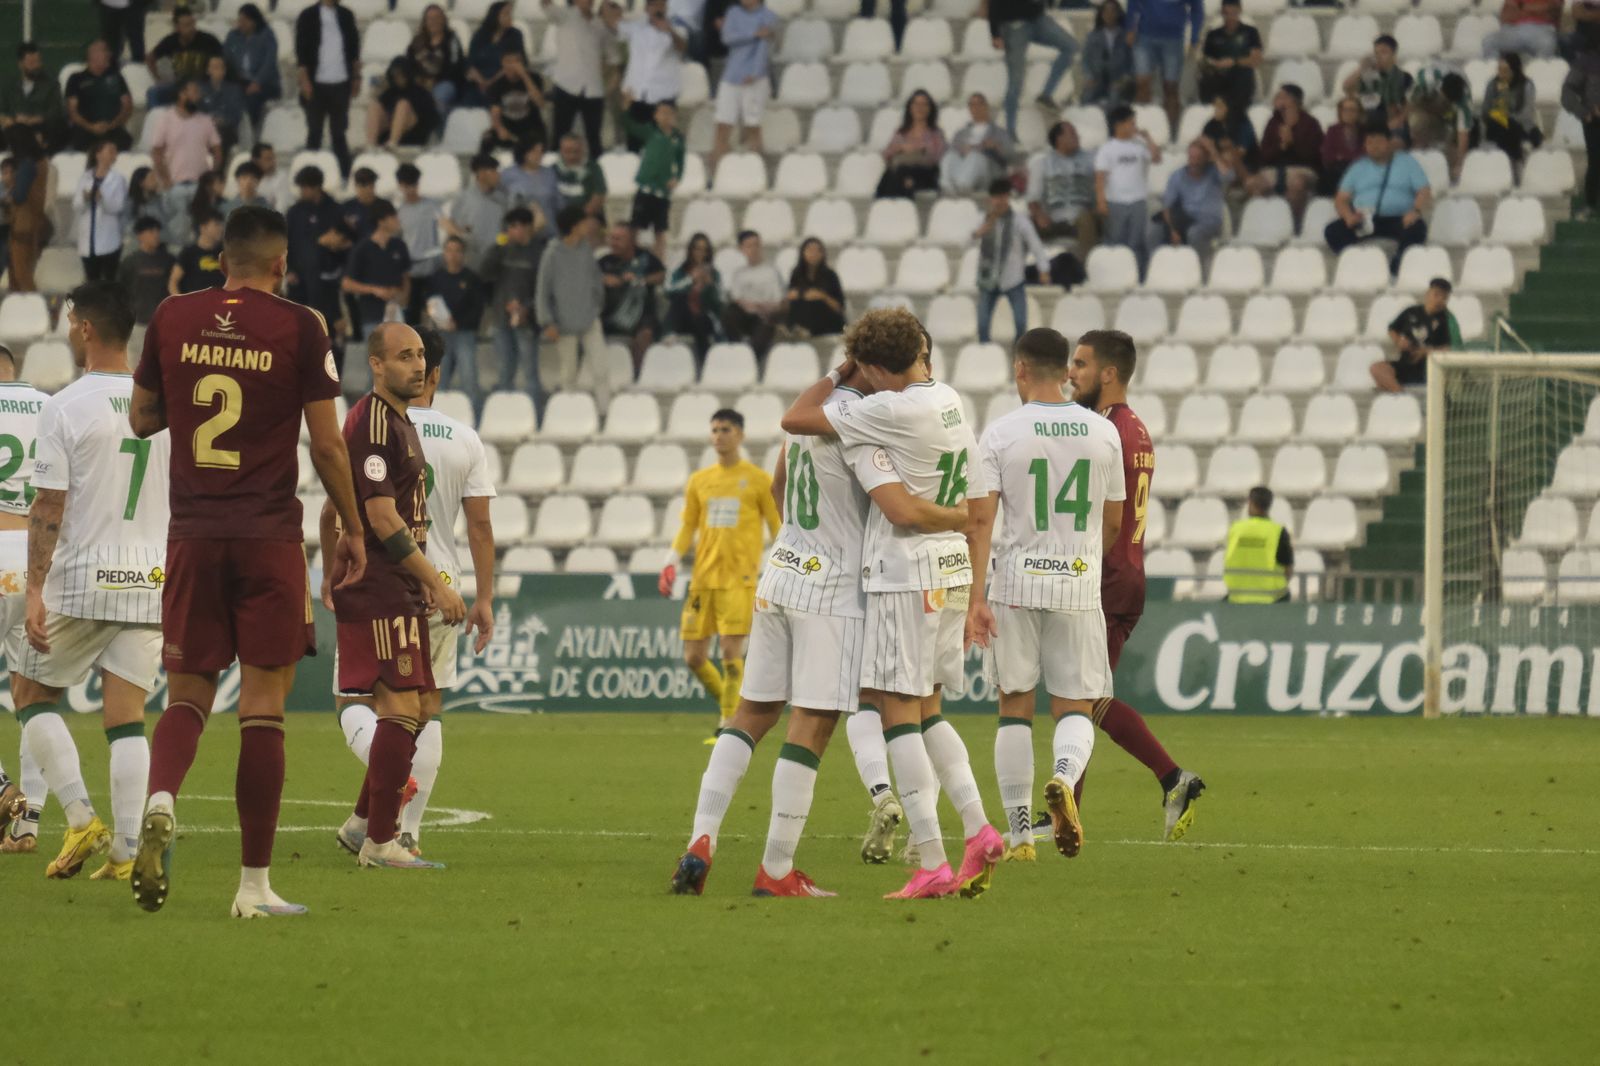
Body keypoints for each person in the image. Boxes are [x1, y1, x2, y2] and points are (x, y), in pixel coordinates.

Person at [670, 357, 970, 895]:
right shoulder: (865, 425)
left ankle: (701, 838)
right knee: (811, 726)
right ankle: (777, 870)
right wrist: (960, 518)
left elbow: (780, 486)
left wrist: (803, 544)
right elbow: (898, 508)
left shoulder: (812, 416)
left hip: (780, 575)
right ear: (877, 371)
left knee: (749, 715)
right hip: (832, 594)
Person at [136, 216, 359, 917]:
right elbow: (326, 447)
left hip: (193, 533)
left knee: (186, 696)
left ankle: (162, 798)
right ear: (281, 263)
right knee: (263, 709)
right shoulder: (301, 326)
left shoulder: (172, 316)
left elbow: (142, 419)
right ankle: (253, 888)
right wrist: (352, 525)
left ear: (223, 258)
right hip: (267, 537)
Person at [779, 309, 1004, 900]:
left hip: (906, 574)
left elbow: (795, 418)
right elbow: (980, 504)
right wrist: (977, 587)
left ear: (875, 367)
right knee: (930, 710)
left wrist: (842, 369)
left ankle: (932, 859)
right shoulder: (950, 398)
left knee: (894, 711)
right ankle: (979, 828)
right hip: (953, 570)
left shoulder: (884, 408)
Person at [13, 282, 170, 883]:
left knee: (30, 694)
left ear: (83, 329)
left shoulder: (65, 405)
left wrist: (34, 589)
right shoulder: (162, 407)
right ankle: (127, 851)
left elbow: (49, 503)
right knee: (127, 715)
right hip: (151, 576)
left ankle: (80, 818)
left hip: (84, 576)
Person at [331, 327, 494, 860]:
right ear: (376, 364)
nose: (417, 365)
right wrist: (437, 584)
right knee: (401, 706)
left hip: (403, 581)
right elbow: (381, 516)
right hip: (386, 583)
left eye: (421, 355)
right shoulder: (375, 421)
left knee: (417, 707)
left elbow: (343, 501)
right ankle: (382, 839)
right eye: (405, 356)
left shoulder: (399, 422)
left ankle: (365, 827)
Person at [963, 327, 1122, 861]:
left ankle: (1021, 836)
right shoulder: (1102, 432)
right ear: (1066, 370)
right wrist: (1083, 558)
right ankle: (1062, 779)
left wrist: (975, 597)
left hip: (1014, 582)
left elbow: (980, 519)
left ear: (1020, 369)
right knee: (1075, 702)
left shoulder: (1002, 432)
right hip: (1076, 581)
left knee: (1014, 705)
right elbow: (1115, 520)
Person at [1060, 328, 1204, 840]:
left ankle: (1172, 777)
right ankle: (1067, 811)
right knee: (1080, 697)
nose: (1070, 373)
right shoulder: (1133, 427)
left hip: (1106, 576)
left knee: (1081, 699)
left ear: (1109, 373)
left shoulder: (1106, 431)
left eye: (1079, 364)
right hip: (1125, 573)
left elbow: (1105, 515)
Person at [658, 409, 780, 736]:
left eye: (725, 429)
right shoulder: (700, 481)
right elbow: (687, 526)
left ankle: (728, 724)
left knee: (730, 651)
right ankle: (731, 707)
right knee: (693, 657)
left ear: (740, 434)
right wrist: (671, 560)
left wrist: (782, 567)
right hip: (703, 580)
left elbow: (776, 526)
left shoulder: (757, 480)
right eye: (714, 430)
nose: (718, 435)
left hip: (739, 580)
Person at [0, 345, 46, 853]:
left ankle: (2, 791)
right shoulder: (48, 405)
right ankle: (27, 826)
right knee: (33, 699)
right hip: (36, 562)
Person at [1324, 121, 1432, 274]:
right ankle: (1358, 263)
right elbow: (1341, 198)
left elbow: (1424, 191)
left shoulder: (1407, 162)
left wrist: (1415, 211)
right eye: (1369, 142)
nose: (1374, 146)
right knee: (1333, 231)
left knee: (1417, 229)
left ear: (1389, 142)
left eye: (1379, 142)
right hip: (1365, 219)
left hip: (1399, 219)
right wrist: (1348, 216)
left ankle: (1396, 266)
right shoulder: (1357, 167)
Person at [342, 200, 413, 396]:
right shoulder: (363, 248)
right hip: (372, 315)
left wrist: (403, 297)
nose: (397, 221)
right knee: (375, 367)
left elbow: (406, 277)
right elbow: (347, 283)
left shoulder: (399, 246)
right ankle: (370, 411)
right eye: (393, 217)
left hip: (396, 314)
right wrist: (374, 290)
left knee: (400, 365)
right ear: (382, 221)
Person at [536, 206, 608, 397]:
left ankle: (604, 412)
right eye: (583, 222)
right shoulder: (551, 254)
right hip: (563, 324)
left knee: (601, 370)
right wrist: (547, 321)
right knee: (569, 373)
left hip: (590, 320)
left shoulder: (586, 250)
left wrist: (596, 306)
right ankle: (569, 414)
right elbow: (542, 291)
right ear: (574, 226)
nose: (588, 226)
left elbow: (595, 279)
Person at [482, 207, 548, 405]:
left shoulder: (539, 252)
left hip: (527, 320)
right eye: (509, 227)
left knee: (530, 372)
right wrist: (498, 246)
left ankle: (534, 414)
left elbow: (543, 288)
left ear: (528, 227)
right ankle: (504, 412)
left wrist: (527, 306)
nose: (512, 231)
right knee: (504, 370)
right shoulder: (502, 250)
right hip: (502, 318)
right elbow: (484, 273)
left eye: (516, 227)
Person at [285, 166, 353, 356]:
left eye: (306, 187)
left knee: (328, 329)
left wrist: (336, 243)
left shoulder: (335, 210)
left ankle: (331, 372)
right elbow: (286, 243)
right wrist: (288, 269)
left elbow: (347, 241)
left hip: (327, 281)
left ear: (317, 187)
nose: (302, 192)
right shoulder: (295, 212)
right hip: (299, 280)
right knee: (299, 329)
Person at [988, 0, 1079, 136]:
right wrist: (995, 33)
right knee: (1016, 82)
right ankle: (1010, 130)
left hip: (1037, 18)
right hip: (1014, 24)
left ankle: (1046, 95)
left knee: (1071, 46)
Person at [975, 179, 1048, 345]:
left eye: (1002, 197)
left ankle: (1018, 358)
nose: (999, 201)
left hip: (1013, 277)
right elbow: (967, 239)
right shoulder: (983, 218)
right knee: (982, 324)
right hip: (988, 278)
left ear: (1007, 197)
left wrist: (1043, 269)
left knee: (1021, 323)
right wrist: (984, 228)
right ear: (991, 199)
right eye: (996, 197)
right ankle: (986, 355)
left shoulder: (1019, 221)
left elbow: (1035, 244)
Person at [711, 0, 780, 173]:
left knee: (753, 126)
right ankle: (715, 175)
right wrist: (754, 33)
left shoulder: (769, 16)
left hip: (755, 78)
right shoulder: (733, 12)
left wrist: (755, 72)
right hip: (731, 75)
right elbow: (727, 37)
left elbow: (764, 47)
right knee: (722, 125)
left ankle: (758, 173)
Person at [295, 0, 360, 180]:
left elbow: (354, 50)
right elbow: (301, 52)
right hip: (316, 82)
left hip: (341, 81)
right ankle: (309, 176)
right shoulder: (307, 15)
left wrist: (355, 77)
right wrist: (305, 80)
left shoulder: (346, 15)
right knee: (314, 131)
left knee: (338, 132)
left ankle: (345, 175)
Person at [543, 0, 616, 156]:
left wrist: (604, 80)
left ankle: (594, 175)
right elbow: (547, 6)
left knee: (594, 138)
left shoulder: (601, 26)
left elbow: (613, 59)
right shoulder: (565, 15)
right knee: (560, 135)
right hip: (566, 85)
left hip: (593, 89)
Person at [1095, 105, 1162, 273]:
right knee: (1116, 242)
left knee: (1137, 243)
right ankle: (1116, 274)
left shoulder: (1139, 146)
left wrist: (1148, 138)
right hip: (1115, 202)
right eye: (1131, 123)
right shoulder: (1107, 149)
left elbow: (1157, 158)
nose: (1135, 127)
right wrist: (1101, 200)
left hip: (1137, 201)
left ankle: (1139, 275)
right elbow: (1100, 177)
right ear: (1119, 124)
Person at [426, 236, 487, 412]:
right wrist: (440, 320)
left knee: (469, 377)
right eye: (449, 250)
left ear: (463, 254)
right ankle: (438, 418)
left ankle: (474, 418)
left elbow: (478, 308)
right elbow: (430, 303)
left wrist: (458, 323)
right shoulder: (436, 278)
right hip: (440, 334)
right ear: (444, 253)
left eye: (457, 251)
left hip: (465, 333)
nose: (453, 255)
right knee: (439, 379)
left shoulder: (472, 278)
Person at [1247, 85, 1323, 224]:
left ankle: (1293, 225)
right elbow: (1263, 156)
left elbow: (1313, 156)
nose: (1276, 99)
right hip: (1275, 169)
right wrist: (1281, 146)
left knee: (1297, 184)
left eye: (1281, 97)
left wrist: (1292, 142)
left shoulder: (1310, 123)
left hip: (1302, 169)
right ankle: (1264, 224)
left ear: (1293, 101)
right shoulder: (1273, 123)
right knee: (1254, 183)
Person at [619, 0, 686, 152]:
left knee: (662, 145)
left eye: (661, 4)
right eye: (654, 4)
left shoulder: (677, 26)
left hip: (663, 97)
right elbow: (613, 25)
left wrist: (669, 31)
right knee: (634, 144)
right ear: (646, 8)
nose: (658, 8)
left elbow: (683, 47)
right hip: (636, 94)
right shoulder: (636, 27)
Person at [1127, 0, 1203, 132]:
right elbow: (1132, 3)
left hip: (1173, 39)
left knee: (1171, 87)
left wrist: (1195, 36)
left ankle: (1171, 132)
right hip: (1144, 36)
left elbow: (1197, 9)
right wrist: (1129, 27)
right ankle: (1142, 129)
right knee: (1142, 84)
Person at [1148, 138, 1231, 258]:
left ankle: (1197, 269)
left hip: (1209, 221)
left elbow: (1228, 177)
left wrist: (1214, 152)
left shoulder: (1214, 172)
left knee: (1194, 233)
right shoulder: (1177, 175)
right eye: (1191, 157)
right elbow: (1167, 206)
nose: (1194, 162)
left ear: (1206, 158)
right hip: (1185, 220)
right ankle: (1155, 267)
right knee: (1154, 230)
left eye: (1198, 158)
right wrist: (1173, 230)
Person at [1376, 277, 1461, 393]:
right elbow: (1392, 329)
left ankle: (1402, 397)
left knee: (1383, 386)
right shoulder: (1411, 311)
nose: (1439, 300)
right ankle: (1401, 395)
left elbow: (1455, 349)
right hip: (1406, 364)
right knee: (1377, 369)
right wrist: (1398, 341)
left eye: (1444, 298)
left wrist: (1427, 351)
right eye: (1436, 295)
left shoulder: (1448, 320)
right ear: (1428, 294)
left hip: (1430, 369)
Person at [1028, 120, 1099, 252]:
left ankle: (1083, 267)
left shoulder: (1090, 159)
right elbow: (1033, 198)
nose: (1078, 137)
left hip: (1082, 217)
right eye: (1072, 134)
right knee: (1022, 223)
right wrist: (1039, 215)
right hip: (1053, 220)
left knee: (1086, 220)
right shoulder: (1042, 163)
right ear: (1059, 139)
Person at [627, 101, 686, 260]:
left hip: (663, 190)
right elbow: (630, 126)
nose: (666, 116)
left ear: (674, 116)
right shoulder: (650, 132)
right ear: (655, 116)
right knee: (635, 226)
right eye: (662, 112)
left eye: (669, 113)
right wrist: (626, 108)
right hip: (646, 187)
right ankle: (630, 257)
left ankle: (659, 261)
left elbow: (680, 161)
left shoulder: (677, 138)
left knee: (660, 230)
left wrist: (677, 178)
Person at [599, 223, 665, 362]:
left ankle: (637, 374)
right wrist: (602, 279)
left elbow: (661, 275)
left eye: (618, 239)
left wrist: (640, 279)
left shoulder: (646, 259)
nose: (614, 243)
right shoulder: (605, 261)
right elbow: (587, 277)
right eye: (612, 238)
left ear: (631, 241)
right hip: (610, 314)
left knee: (645, 333)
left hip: (640, 314)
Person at [1223, 486, 1293, 604]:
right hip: (1271, 598)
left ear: (1250, 503)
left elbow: (1227, 559)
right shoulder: (1278, 531)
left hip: (1237, 597)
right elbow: (1288, 570)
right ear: (1269, 505)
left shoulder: (1236, 529)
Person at [151, 78, 222, 196]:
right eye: (194, 92)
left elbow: (217, 151)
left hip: (200, 186)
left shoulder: (205, 120)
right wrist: (165, 180)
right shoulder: (165, 119)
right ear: (182, 94)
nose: (198, 96)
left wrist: (212, 179)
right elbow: (156, 153)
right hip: (174, 186)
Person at [722, 230, 785, 361]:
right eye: (749, 246)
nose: (754, 249)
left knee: (768, 320)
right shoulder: (739, 274)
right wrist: (752, 306)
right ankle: (737, 348)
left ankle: (748, 359)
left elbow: (779, 302)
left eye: (756, 245)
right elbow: (737, 299)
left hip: (765, 315)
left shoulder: (771, 271)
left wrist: (762, 307)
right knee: (729, 312)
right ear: (742, 249)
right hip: (745, 315)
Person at [443, 153, 509, 272]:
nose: (498, 175)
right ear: (481, 173)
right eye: (493, 171)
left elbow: (506, 231)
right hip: (470, 265)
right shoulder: (463, 199)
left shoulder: (503, 200)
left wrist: (500, 245)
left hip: (496, 263)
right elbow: (453, 229)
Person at [146, 7, 222, 109]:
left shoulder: (208, 40)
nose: (191, 28)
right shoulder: (171, 41)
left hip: (204, 85)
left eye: (192, 24)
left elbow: (223, 62)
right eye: (186, 25)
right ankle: (157, 122)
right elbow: (150, 57)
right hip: (179, 86)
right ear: (177, 27)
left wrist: (216, 80)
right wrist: (158, 78)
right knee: (153, 93)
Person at [65, 40, 135, 152]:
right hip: (85, 130)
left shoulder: (117, 77)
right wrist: (91, 127)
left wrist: (112, 125)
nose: (109, 54)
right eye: (105, 51)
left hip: (112, 129)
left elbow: (127, 106)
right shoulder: (76, 79)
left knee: (124, 142)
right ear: (93, 55)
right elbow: (72, 111)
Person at [874, 90, 946, 199]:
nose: (919, 108)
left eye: (924, 104)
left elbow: (937, 157)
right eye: (916, 104)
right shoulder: (901, 133)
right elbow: (886, 154)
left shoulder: (935, 133)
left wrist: (916, 149)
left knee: (900, 176)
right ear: (910, 108)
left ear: (930, 108)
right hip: (901, 172)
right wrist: (900, 148)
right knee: (893, 175)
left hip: (925, 173)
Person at [223, 4, 280, 140]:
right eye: (240, 20)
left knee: (251, 100)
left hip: (266, 83)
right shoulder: (233, 36)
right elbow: (226, 60)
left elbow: (269, 63)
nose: (241, 23)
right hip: (240, 81)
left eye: (245, 20)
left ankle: (249, 135)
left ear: (254, 21)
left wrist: (257, 82)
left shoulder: (267, 36)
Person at [664, 232, 726, 358]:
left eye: (705, 250)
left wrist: (710, 285)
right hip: (683, 318)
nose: (701, 253)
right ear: (691, 250)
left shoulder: (714, 274)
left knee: (700, 320)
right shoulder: (680, 272)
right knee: (680, 299)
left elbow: (721, 303)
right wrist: (690, 279)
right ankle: (669, 333)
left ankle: (706, 363)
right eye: (697, 249)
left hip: (705, 319)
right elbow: (668, 292)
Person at [1198, 0, 1261, 119]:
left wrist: (1234, 62)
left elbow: (1255, 59)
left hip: (1241, 76)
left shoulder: (1250, 32)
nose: (1230, 17)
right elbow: (1205, 59)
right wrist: (1215, 64)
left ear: (1239, 11)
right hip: (1219, 75)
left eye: (1234, 13)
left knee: (1243, 76)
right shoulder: (1213, 34)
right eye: (1227, 13)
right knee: (1206, 77)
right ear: (1222, 13)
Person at [395, 164, 443, 323]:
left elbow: (446, 223)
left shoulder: (431, 205)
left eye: (413, 185)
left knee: (436, 315)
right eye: (406, 186)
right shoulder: (399, 210)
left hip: (432, 269)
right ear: (400, 186)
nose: (410, 190)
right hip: (411, 271)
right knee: (412, 316)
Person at [1, 43, 67, 157]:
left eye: (38, 62)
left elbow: (56, 112)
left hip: (42, 128)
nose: (36, 66)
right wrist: (14, 120)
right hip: (14, 129)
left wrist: (34, 119)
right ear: (21, 64)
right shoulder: (9, 86)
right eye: (31, 62)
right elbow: (2, 111)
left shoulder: (51, 85)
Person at [942, 93, 1014, 196]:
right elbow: (953, 150)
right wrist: (963, 150)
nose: (976, 108)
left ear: (986, 107)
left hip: (988, 171)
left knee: (975, 156)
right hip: (963, 166)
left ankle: (962, 187)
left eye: (979, 104)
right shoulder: (961, 133)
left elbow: (1010, 155)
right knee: (950, 156)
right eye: (972, 105)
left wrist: (997, 146)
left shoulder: (999, 132)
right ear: (969, 108)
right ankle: (948, 187)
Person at [77, 138, 129, 283]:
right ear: (98, 154)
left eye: (115, 151)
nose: (114, 154)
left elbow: (118, 207)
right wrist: (85, 199)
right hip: (88, 241)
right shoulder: (85, 177)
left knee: (108, 281)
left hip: (109, 240)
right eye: (110, 151)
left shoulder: (118, 179)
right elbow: (77, 205)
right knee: (91, 281)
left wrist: (102, 198)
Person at [482, 48, 549, 153]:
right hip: (508, 127)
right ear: (502, 63)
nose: (512, 65)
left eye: (516, 61)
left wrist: (524, 76)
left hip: (531, 126)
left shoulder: (535, 78)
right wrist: (500, 129)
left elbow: (540, 103)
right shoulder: (496, 85)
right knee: (487, 138)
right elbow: (495, 112)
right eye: (508, 61)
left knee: (538, 140)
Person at [1343, 35, 1413, 133]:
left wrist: (1397, 121)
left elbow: (1409, 105)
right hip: (1368, 122)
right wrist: (1361, 69)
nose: (1378, 56)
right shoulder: (1368, 76)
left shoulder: (1403, 77)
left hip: (1392, 124)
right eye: (1376, 53)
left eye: (1384, 52)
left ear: (1394, 55)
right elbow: (1347, 88)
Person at [465, 2, 528, 107]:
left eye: (510, 14)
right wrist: (481, 81)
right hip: (478, 81)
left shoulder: (515, 35)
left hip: (503, 80)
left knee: (494, 97)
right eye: (506, 14)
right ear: (495, 16)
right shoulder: (480, 34)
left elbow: (518, 61)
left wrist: (491, 82)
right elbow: (470, 62)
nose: (510, 17)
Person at [1481, 55, 1541, 164]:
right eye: (1499, 70)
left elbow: (1526, 115)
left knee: (1509, 128)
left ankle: (1514, 161)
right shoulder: (1493, 84)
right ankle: (1513, 160)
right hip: (1498, 127)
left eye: (1505, 70)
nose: (1501, 74)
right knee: (1501, 128)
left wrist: (1504, 117)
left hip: (1522, 127)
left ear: (1514, 70)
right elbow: (1486, 111)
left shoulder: (1526, 85)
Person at [369, 57, 439, 150]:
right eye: (395, 74)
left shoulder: (421, 93)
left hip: (413, 137)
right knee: (375, 106)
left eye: (400, 74)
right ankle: (370, 146)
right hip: (387, 134)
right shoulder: (390, 93)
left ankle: (392, 144)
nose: (397, 77)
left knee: (403, 105)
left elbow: (431, 119)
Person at [119, 218, 178, 329]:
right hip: (138, 323)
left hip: (165, 321)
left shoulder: (169, 260)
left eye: (157, 231)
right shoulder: (129, 261)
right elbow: (121, 291)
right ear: (140, 236)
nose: (156, 235)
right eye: (151, 231)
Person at [409, 4, 466, 116]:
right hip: (421, 82)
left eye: (437, 17)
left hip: (446, 82)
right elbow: (410, 64)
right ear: (425, 21)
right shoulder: (417, 41)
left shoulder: (452, 39)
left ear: (443, 20)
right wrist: (420, 79)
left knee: (437, 98)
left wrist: (435, 80)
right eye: (430, 18)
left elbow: (456, 67)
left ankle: (439, 132)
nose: (433, 21)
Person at [1563, 46, 1600, 219]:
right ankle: (1590, 204)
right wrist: (1585, 113)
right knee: (1595, 161)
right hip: (1594, 122)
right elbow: (1567, 93)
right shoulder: (1586, 61)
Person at [783, 238, 845, 339]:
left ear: (822, 254)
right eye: (810, 250)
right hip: (803, 316)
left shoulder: (831, 275)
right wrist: (791, 296)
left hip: (827, 319)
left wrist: (822, 296)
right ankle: (795, 330)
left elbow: (840, 308)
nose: (813, 254)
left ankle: (800, 330)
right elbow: (789, 301)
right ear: (803, 253)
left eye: (817, 250)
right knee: (798, 304)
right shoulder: (796, 274)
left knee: (814, 304)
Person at [500, 140, 561, 239]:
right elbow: (502, 201)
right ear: (524, 152)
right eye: (534, 152)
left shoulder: (550, 173)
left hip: (548, 232)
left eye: (541, 152)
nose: (538, 155)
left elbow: (558, 202)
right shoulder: (508, 174)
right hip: (520, 234)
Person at [1082, 0, 1135, 112]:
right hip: (1098, 79)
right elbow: (1085, 60)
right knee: (1086, 97)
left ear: (1118, 13)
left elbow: (1132, 63)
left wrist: (1124, 79)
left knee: (1114, 96)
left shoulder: (1126, 36)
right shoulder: (1093, 36)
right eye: (1105, 11)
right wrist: (1089, 77)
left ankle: (1111, 127)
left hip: (1119, 80)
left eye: (1112, 11)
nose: (1109, 14)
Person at [199, 55, 247, 163]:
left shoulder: (234, 89)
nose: (218, 70)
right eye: (214, 67)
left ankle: (218, 170)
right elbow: (197, 111)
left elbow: (236, 115)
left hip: (226, 130)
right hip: (205, 129)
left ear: (224, 70)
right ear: (208, 70)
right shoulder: (201, 89)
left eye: (220, 67)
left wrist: (223, 120)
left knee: (219, 135)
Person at [1482, 0, 1564, 59]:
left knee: (1547, 44)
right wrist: (1531, 10)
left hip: (1542, 29)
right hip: (1514, 29)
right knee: (1489, 41)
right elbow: (1506, 14)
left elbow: (1552, 8)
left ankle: (1539, 79)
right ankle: (1497, 79)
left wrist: (1523, 8)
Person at [1320, 95, 1367, 196]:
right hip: (1337, 171)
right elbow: (1327, 157)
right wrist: (1351, 157)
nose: (1348, 113)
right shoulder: (1332, 130)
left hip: (1360, 170)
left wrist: (1341, 156)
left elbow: (1366, 155)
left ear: (1359, 113)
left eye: (1352, 110)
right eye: (1345, 110)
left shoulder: (1366, 132)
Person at [553, 132, 607, 220]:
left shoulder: (593, 168)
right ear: (561, 151)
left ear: (582, 150)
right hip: (558, 218)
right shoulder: (553, 169)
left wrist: (579, 218)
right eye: (567, 151)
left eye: (576, 151)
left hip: (586, 218)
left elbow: (599, 194)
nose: (572, 156)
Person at [170, 209, 225, 294]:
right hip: (195, 304)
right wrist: (181, 305)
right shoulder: (188, 253)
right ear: (203, 227)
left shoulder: (225, 252)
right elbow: (173, 282)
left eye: (221, 225)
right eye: (216, 225)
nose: (221, 228)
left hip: (221, 304)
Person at [99, 0, 149, 65]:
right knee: (110, 41)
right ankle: (110, 66)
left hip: (134, 5)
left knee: (136, 38)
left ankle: (138, 66)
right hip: (107, 5)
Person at [251, 142, 294, 212]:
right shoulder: (247, 177)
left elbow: (281, 209)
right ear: (256, 161)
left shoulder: (281, 177)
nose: (273, 162)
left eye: (273, 158)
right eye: (268, 159)